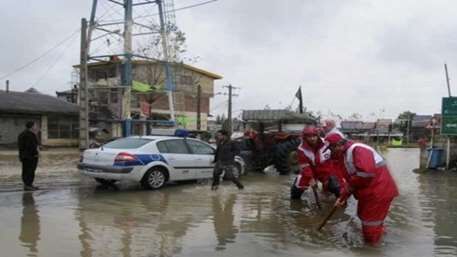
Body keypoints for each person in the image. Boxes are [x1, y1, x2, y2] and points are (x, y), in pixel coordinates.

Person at [325, 133, 399, 246]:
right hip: (370, 192)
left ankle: (372, 250)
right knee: (366, 219)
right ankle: (379, 239)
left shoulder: (358, 150)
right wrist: (342, 197)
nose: (331, 152)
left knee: (370, 226)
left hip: (378, 192)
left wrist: (347, 190)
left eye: (331, 148)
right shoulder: (345, 155)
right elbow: (351, 181)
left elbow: (366, 174)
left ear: (338, 145)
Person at [291, 126, 343, 199]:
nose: (312, 138)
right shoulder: (301, 149)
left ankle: (341, 201)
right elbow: (305, 166)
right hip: (310, 171)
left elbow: (336, 157)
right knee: (297, 188)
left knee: (336, 186)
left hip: (326, 170)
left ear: (317, 135)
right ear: (305, 137)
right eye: (309, 136)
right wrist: (310, 178)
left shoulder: (326, 143)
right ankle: (295, 203)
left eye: (314, 136)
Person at [18, 121, 40, 191]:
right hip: (30, 157)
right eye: (35, 125)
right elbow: (31, 146)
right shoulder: (29, 135)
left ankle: (28, 184)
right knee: (30, 171)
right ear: (32, 126)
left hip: (25, 156)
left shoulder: (22, 134)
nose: (36, 127)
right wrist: (36, 153)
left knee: (26, 171)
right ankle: (28, 185)